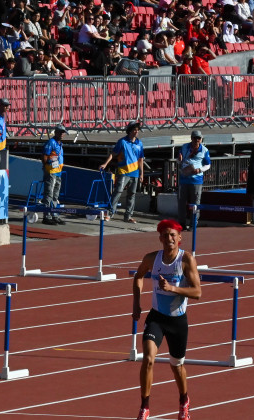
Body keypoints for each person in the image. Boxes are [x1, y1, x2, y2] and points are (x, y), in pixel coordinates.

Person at [132, 219, 202, 420]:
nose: (169, 238)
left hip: (177, 321)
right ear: (160, 238)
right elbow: (138, 276)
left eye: (173, 235)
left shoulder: (186, 259)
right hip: (156, 318)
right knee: (148, 358)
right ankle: (145, 406)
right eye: (165, 235)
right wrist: (136, 303)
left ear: (179, 238)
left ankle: (184, 400)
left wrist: (172, 288)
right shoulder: (152, 259)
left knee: (177, 365)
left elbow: (197, 292)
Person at [99, 122, 144, 224]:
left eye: (137, 130)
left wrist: (141, 174)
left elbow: (141, 159)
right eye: (134, 130)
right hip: (124, 171)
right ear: (129, 131)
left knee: (132, 194)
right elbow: (113, 154)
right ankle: (110, 213)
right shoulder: (122, 142)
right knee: (118, 191)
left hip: (135, 173)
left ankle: (128, 216)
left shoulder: (139, 143)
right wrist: (105, 164)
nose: (136, 132)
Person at [177, 130, 211, 231]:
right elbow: (179, 161)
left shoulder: (204, 150)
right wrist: (179, 159)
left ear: (201, 139)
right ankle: (182, 224)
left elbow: (208, 165)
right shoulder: (184, 147)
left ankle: (193, 225)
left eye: (199, 138)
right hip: (184, 179)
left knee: (195, 203)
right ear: (191, 138)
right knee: (181, 203)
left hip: (196, 180)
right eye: (195, 138)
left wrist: (199, 170)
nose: (197, 140)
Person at [40, 125, 67, 225]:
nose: (62, 134)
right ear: (56, 132)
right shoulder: (51, 142)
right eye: (60, 132)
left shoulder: (60, 144)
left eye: (63, 132)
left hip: (58, 172)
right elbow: (44, 156)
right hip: (51, 172)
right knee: (49, 194)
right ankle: (46, 216)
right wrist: (48, 165)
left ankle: (54, 214)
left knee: (55, 195)